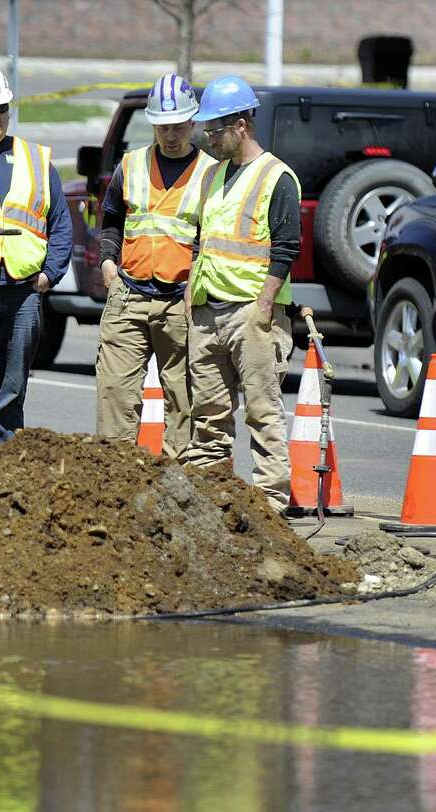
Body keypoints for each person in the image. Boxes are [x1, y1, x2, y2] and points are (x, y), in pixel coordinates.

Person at [182, 75, 300, 513]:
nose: (209, 139)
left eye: (215, 130)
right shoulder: (213, 175)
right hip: (208, 309)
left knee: (262, 412)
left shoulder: (276, 177)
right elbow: (203, 238)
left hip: (252, 311)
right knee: (209, 415)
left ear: (241, 126)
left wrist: (265, 308)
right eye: (207, 130)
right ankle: (210, 503)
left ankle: (271, 504)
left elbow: (287, 247)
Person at [95, 73, 217, 458]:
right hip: (128, 295)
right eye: (163, 127)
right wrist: (108, 265)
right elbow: (111, 217)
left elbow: (209, 237)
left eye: (179, 126)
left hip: (180, 303)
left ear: (193, 122)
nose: (171, 135)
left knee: (183, 398)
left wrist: (194, 287)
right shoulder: (130, 165)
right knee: (115, 393)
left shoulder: (211, 173)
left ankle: (176, 480)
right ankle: (115, 482)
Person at [0, 64, 73, 440]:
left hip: (23, 292)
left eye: (0, 108)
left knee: (11, 384)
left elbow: (60, 224)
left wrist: (50, 274)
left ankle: (4, 450)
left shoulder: (36, 160)